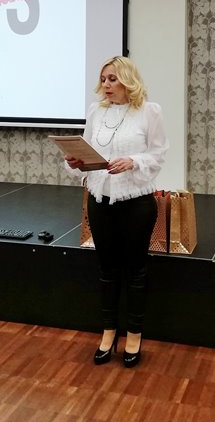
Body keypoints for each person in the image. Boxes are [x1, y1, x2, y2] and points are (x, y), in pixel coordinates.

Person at [64, 56, 168, 368]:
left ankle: (134, 333)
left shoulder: (149, 111)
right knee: (107, 270)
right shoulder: (96, 111)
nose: (106, 85)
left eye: (113, 79)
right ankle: (109, 331)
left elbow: (158, 154)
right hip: (99, 199)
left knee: (135, 270)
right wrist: (75, 162)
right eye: (104, 79)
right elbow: (86, 151)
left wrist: (134, 161)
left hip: (136, 202)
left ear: (127, 80)